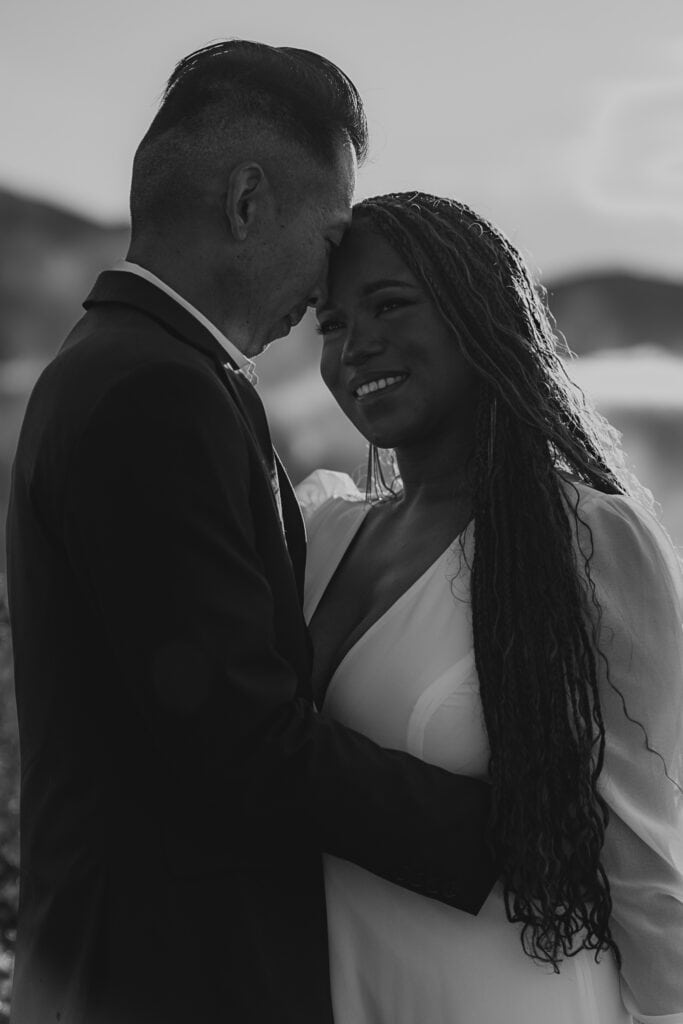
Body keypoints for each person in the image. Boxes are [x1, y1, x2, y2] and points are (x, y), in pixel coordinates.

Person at [5, 50, 498, 1024]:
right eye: (326, 238)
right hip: (166, 980)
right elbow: (235, 740)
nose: (325, 290)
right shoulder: (156, 394)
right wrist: (494, 831)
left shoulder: (136, 368)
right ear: (245, 202)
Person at [300, 191, 683, 1024]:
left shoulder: (586, 539)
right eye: (328, 323)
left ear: (478, 317)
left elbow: (647, 865)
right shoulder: (320, 533)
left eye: (389, 304)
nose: (355, 343)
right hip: (343, 990)